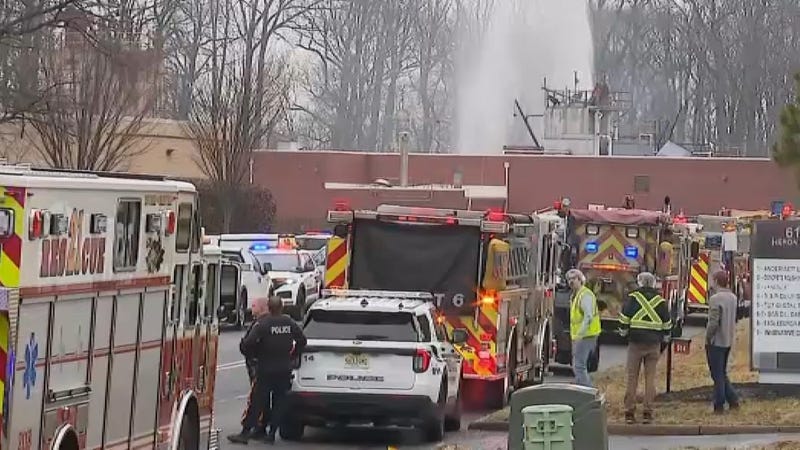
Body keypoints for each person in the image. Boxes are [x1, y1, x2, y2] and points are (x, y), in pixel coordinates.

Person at [228, 296, 307, 444]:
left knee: (257, 402)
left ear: (269, 308)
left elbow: (247, 344)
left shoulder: (263, 324)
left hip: (265, 369)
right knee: (279, 402)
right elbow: (302, 340)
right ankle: (271, 435)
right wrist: (293, 355)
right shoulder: (289, 322)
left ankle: (245, 433)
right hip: (284, 369)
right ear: (282, 307)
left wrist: (254, 356)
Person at [618, 272, 672, 424]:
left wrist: (624, 334)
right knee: (650, 378)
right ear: (654, 283)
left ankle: (629, 412)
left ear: (639, 282)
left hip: (635, 343)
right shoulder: (660, 301)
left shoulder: (633, 298)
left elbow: (624, 320)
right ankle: (647, 412)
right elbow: (667, 325)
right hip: (653, 344)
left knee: (632, 378)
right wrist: (663, 340)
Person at [706, 270, 740, 414]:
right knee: (722, 372)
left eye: (712, 280)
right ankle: (733, 399)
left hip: (717, 341)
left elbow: (713, 322)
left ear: (716, 281)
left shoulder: (715, 299)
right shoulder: (733, 297)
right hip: (728, 339)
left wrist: (708, 337)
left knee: (716, 374)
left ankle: (719, 404)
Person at [235, 297, 270, 441]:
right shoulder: (275, 321)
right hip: (270, 365)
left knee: (256, 398)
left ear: (262, 308)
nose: (251, 308)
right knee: (265, 398)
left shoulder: (260, 324)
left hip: (258, 366)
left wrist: (246, 349)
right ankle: (261, 428)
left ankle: (249, 430)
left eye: (254, 305)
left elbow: (248, 343)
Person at [566, 268, 600, 387]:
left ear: (580, 280)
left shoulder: (585, 295)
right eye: (569, 279)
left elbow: (588, 316)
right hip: (581, 335)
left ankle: (587, 390)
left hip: (586, 335)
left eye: (574, 279)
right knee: (577, 365)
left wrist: (580, 334)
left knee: (579, 365)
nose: (571, 281)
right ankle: (581, 387)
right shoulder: (576, 295)